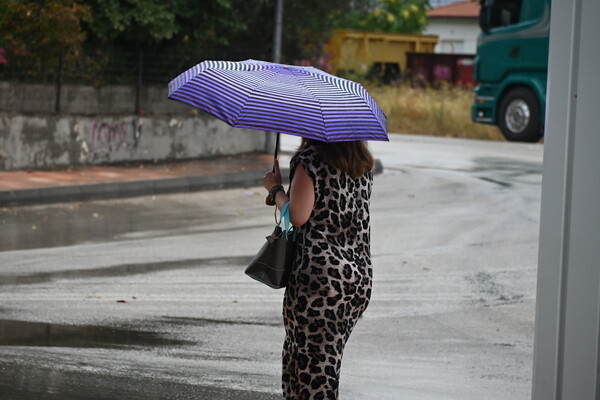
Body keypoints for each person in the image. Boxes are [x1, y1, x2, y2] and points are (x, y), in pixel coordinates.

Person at [263, 138, 374, 400]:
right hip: (357, 277)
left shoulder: (310, 161)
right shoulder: (361, 161)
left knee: (310, 368)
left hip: (319, 279)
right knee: (325, 361)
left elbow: (298, 216)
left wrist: (275, 189)